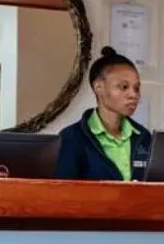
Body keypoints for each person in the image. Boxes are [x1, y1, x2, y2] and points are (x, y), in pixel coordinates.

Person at [56, 47, 151, 181]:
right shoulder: (71, 137)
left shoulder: (144, 137)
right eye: (124, 86)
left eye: (136, 88)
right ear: (98, 87)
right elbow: (63, 193)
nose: (133, 95)